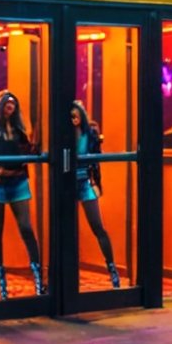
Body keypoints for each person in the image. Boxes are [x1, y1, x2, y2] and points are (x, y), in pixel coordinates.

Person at [0, 89, 42, 299]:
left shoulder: (19, 130)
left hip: (17, 182)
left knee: (26, 227)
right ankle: (1, 277)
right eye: (7, 103)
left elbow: (29, 152)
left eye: (13, 104)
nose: (11, 107)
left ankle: (37, 276)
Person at [72, 101, 121, 287]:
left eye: (76, 115)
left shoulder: (88, 134)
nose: (73, 119)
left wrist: (98, 184)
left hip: (84, 182)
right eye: (70, 116)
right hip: (67, 184)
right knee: (67, 231)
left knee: (98, 226)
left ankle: (112, 268)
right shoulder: (64, 134)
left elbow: (96, 159)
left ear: (81, 116)